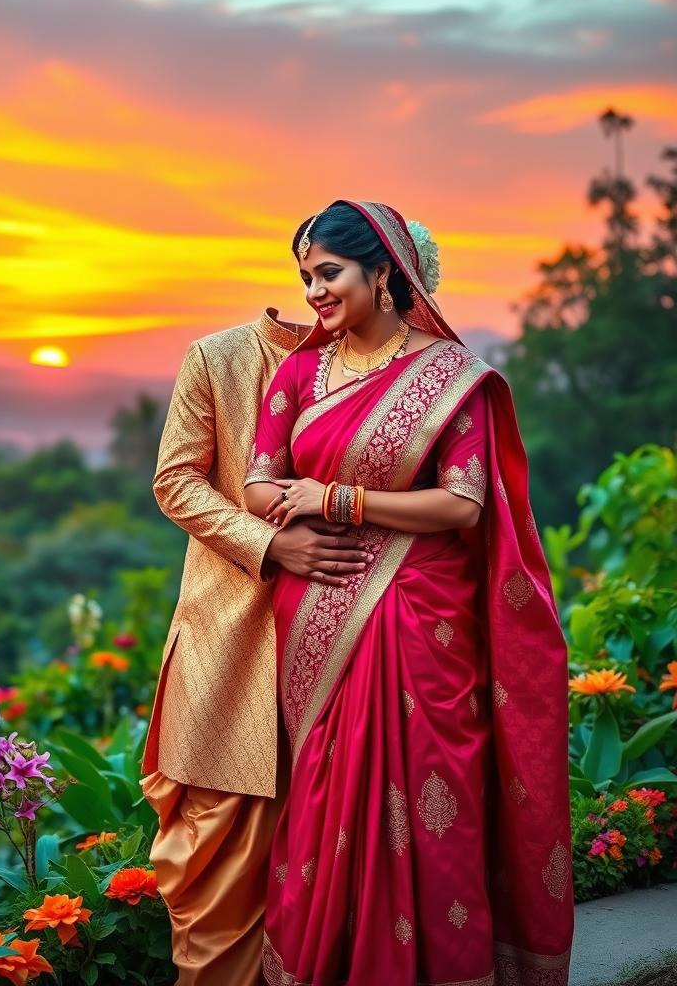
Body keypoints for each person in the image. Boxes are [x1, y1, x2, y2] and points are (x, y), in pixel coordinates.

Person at [244, 201, 573, 986]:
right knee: (324, 795)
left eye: (329, 273)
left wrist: (337, 500)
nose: (314, 292)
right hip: (320, 609)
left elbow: (463, 504)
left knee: (434, 795)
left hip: (426, 620)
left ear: (384, 270)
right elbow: (259, 483)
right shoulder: (300, 370)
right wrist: (292, 513)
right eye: (305, 277)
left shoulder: (451, 379)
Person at [142, 307, 378, 985]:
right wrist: (271, 544)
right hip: (235, 638)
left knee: (346, 866)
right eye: (315, 270)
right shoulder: (220, 357)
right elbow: (175, 481)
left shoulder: (401, 372)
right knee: (216, 862)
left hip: (356, 643)